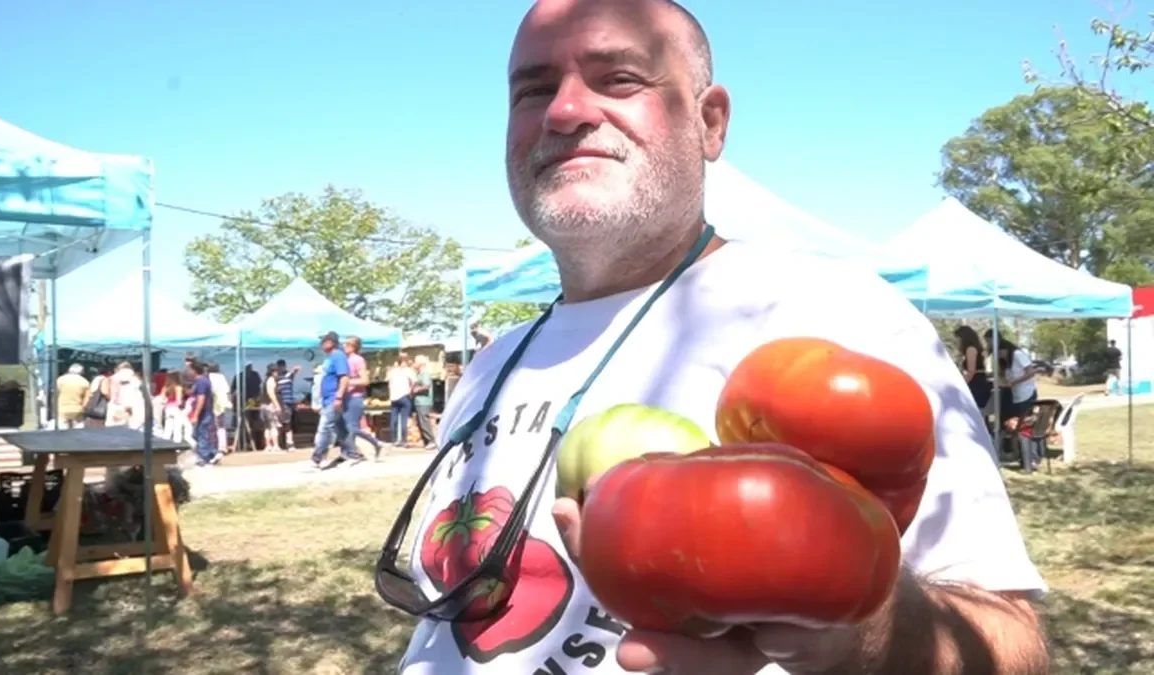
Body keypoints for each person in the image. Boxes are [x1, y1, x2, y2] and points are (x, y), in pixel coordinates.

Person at [391, 2, 1048, 674]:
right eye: (534, 89)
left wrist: (862, 633)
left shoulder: (835, 315)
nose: (564, 111)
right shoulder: (494, 361)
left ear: (709, 122)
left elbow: (1012, 647)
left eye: (618, 79)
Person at [311, 331, 363, 470]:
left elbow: (344, 378)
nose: (321, 344)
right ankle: (352, 454)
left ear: (331, 342)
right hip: (328, 398)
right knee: (340, 429)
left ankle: (318, 457)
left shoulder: (338, 356)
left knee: (325, 427)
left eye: (324, 341)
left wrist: (339, 396)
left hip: (334, 398)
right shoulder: (330, 358)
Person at [344, 337, 383, 459]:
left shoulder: (358, 360)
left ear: (353, 346)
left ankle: (353, 453)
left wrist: (348, 382)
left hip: (355, 397)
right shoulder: (345, 360)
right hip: (346, 397)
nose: (344, 346)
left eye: (347, 344)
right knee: (346, 427)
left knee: (351, 427)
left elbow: (365, 380)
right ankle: (354, 451)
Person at [186, 360, 218, 467]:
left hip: (204, 413)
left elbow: (201, 398)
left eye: (190, 369)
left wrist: (195, 414)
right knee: (197, 434)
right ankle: (211, 453)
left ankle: (205, 458)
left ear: (195, 370)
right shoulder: (198, 382)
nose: (188, 371)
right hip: (202, 413)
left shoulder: (202, 382)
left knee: (201, 434)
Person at [954, 326, 992, 410]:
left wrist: (961, 385)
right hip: (978, 381)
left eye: (957, 338)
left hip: (976, 383)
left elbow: (971, 371)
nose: (956, 341)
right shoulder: (973, 349)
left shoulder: (970, 349)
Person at [386, 353, 416, 446]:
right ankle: (404, 441)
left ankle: (394, 440)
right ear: (407, 361)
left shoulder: (392, 371)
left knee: (393, 419)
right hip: (404, 395)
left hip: (394, 397)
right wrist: (410, 390)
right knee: (404, 419)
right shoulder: (409, 371)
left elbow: (387, 380)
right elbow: (414, 381)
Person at [410, 354, 438, 450]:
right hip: (419, 401)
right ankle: (426, 441)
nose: (414, 364)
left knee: (424, 421)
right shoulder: (419, 375)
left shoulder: (424, 374)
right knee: (420, 421)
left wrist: (416, 390)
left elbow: (426, 386)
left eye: (415, 362)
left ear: (420, 364)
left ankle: (431, 440)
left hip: (423, 402)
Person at [55, 363, 91, 429]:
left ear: (69, 370)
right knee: (78, 431)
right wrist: (83, 408)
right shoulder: (85, 382)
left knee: (62, 432)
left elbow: (55, 394)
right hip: (77, 410)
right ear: (81, 372)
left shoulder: (60, 380)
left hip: (62, 409)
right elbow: (87, 398)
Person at [275, 359, 300, 449]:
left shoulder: (288, 375)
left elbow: (291, 375)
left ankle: (289, 443)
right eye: (280, 367)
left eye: (283, 366)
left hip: (289, 402)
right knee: (281, 424)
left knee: (288, 423)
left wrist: (295, 371)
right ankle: (279, 443)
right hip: (280, 402)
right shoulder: (277, 377)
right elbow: (288, 376)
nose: (281, 368)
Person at [260, 363, 282, 452]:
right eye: (275, 371)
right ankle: (275, 445)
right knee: (273, 426)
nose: (277, 373)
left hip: (263, 405)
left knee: (266, 427)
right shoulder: (271, 380)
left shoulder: (264, 381)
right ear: (272, 372)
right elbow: (271, 394)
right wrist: (277, 405)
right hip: (270, 405)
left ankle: (268, 446)